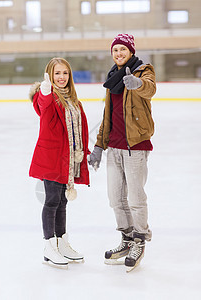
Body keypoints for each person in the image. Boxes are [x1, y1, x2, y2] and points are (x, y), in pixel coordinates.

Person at [88, 34, 156, 272]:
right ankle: (126, 239)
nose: (118, 53)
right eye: (115, 50)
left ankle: (139, 240)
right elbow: (108, 116)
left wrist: (138, 85)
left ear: (131, 51)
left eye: (123, 49)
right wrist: (98, 146)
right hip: (114, 147)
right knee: (115, 199)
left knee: (136, 198)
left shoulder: (142, 71)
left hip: (135, 145)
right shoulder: (111, 78)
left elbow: (150, 88)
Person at [29, 57, 90, 268]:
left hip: (68, 158)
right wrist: (45, 91)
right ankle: (49, 246)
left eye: (65, 73)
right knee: (52, 200)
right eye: (57, 73)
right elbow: (41, 107)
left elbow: (79, 130)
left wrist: (85, 152)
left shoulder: (73, 100)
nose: (61, 77)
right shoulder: (47, 97)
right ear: (50, 75)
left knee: (62, 201)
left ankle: (62, 242)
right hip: (51, 158)